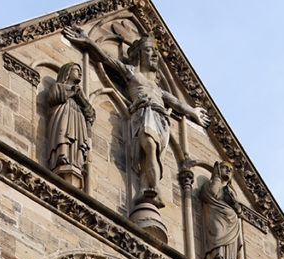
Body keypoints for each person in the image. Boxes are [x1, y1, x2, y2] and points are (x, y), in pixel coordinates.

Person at [64, 27, 209, 208]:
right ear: (139, 54)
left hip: (158, 118)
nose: (155, 56)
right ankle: (151, 188)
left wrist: (193, 112)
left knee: (152, 152)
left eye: (156, 53)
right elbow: (106, 58)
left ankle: (151, 188)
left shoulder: (158, 89)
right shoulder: (132, 73)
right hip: (143, 114)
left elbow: (177, 103)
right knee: (148, 149)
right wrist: (89, 41)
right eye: (149, 51)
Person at [47, 62, 95, 180]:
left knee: (77, 137)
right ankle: (62, 156)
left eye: (80, 71)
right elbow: (54, 97)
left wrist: (81, 99)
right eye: (76, 70)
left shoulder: (80, 93)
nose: (80, 73)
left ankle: (77, 162)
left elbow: (90, 113)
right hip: (64, 112)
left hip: (77, 115)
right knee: (63, 132)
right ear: (67, 72)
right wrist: (73, 92)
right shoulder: (58, 86)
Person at [200, 161, 243, 259]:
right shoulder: (209, 184)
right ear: (218, 169)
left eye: (231, 170)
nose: (229, 170)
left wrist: (234, 203)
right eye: (225, 167)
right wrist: (217, 178)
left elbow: (239, 211)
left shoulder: (231, 191)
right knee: (218, 232)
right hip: (216, 215)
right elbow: (212, 193)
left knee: (230, 241)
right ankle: (216, 256)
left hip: (231, 220)